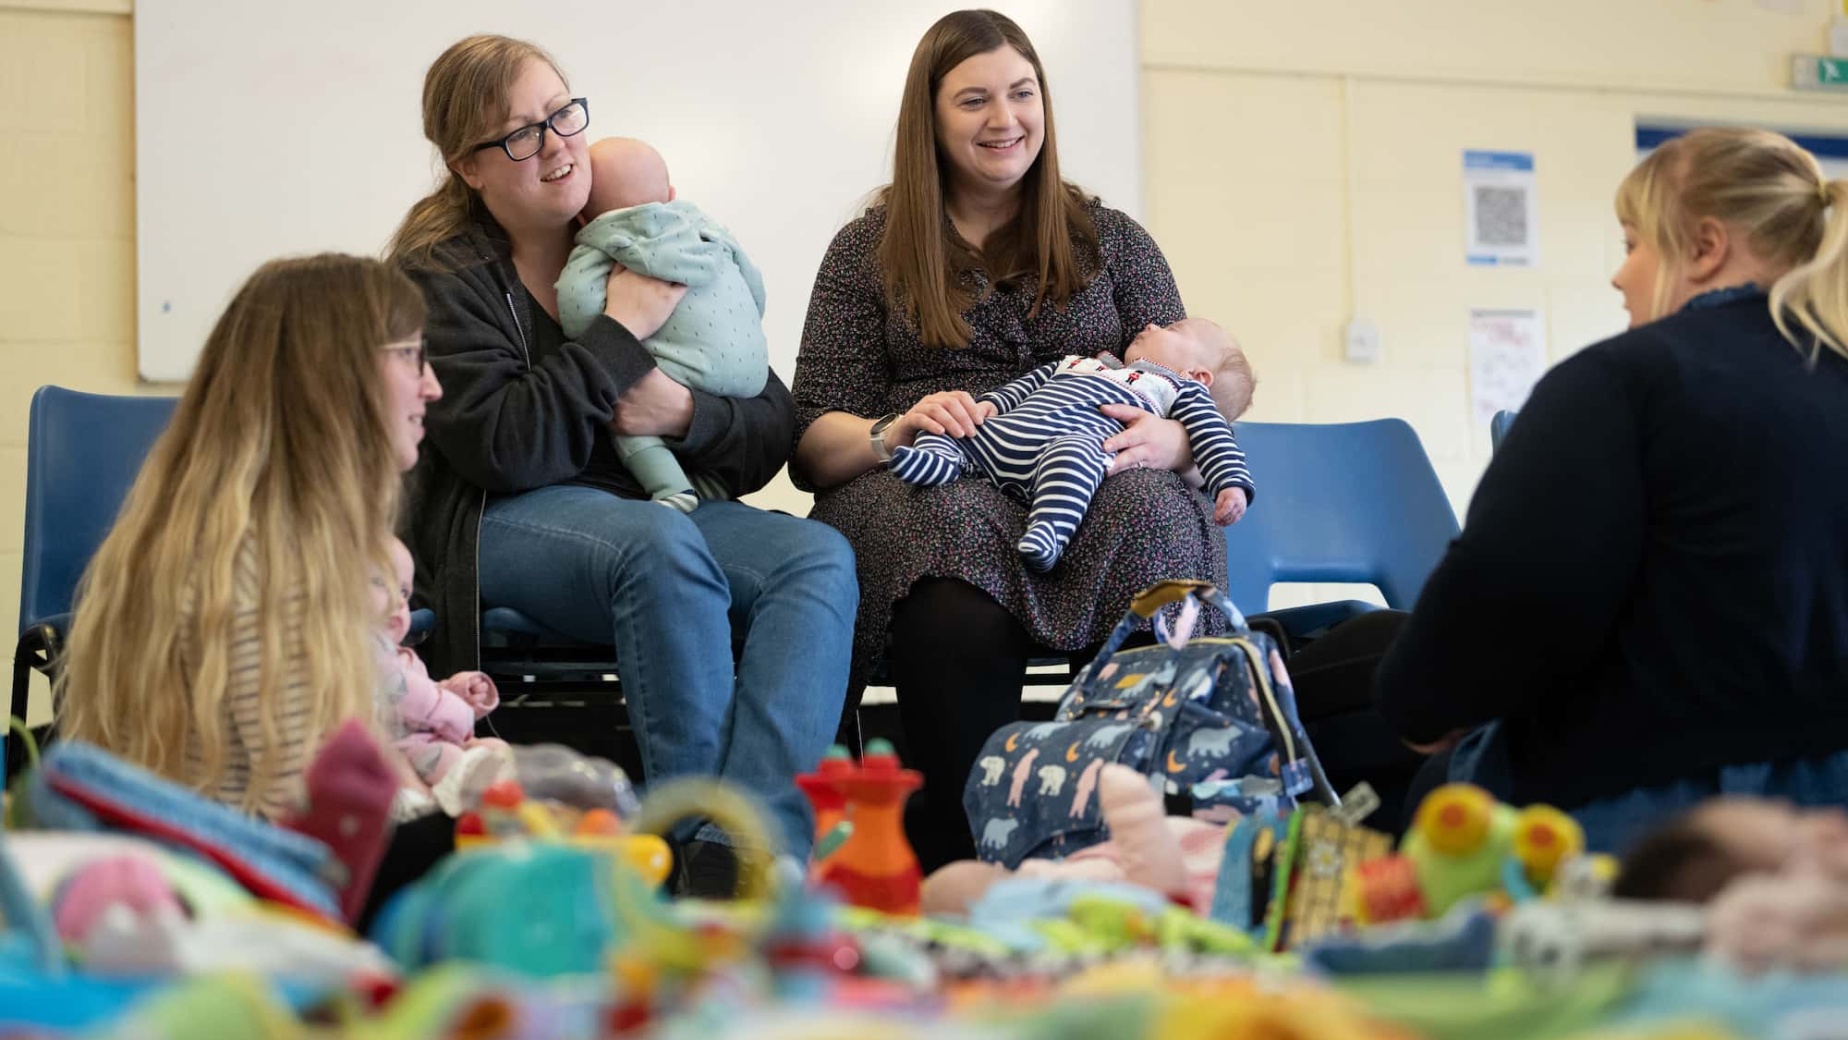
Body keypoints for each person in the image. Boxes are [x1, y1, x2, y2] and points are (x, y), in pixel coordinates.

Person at [388, 34, 856, 869]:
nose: (559, 143)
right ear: (469, 166)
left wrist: (683, 414)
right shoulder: (441, 275)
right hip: (500, 519)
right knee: (661, 544)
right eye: (521, 133)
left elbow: (771, 416)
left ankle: (742, 851)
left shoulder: (630, 230)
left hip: (655, 508)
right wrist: (621, 331)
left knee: (814, 558)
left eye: (562, 113)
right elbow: (505, 448)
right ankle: (686, 848)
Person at [791, 9, 1224, 868]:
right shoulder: (866, 251)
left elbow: (1203, 370)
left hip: (1092, 460)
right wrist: (891, 430)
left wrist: (1177, 443)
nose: (1006, 119)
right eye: (975, 99)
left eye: (1022, 93)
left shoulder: (1113, 240)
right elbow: (810, 441)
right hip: (933, 471)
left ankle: (1152, 852)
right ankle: (974, 862)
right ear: (930, 117)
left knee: (1158, 524)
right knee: (946, 557)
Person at [1374, 127, 1848, 854]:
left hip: (1670, 822)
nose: (1619, 276)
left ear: (1704, 247)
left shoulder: (1628, 381)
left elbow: (1508, 593)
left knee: (1419, 794)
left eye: (1633, 244)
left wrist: (1418, 707)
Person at [56, 253, 444, 822]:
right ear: (336, 377)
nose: (431, 385)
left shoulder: (232, 534)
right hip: (256, 891)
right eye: (412, 356)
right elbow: (311, 827)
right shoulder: (273, 570)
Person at [888, 317, 1255, 571]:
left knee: (1078, 460)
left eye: (1173, 328)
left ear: (1197, 375)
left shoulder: (1176, 390)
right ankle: (938, 461)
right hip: (1007, 432)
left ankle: (1048, 533)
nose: (1152, 324)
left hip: (1068, 447)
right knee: (946, 420)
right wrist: (989, 404)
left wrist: (1230, 483)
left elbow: (1214, 435)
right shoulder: (1080, 363)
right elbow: (1027, 385)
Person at [556, 136, 770, 512]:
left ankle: (672, 488)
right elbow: (754, 286)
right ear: (670, 193)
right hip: (752, 374)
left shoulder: (602, 240)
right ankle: (712, 482)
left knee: (624, 403)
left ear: (583, 217)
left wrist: (616, 316)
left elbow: (577, 311)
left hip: (683, 378)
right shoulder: (704, 226)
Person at [373, 535, 506, 792]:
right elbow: (420, 702)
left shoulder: (397, 654)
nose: (400, 602)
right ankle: (456, 816)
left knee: (496, 749)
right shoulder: (363, 652)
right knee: (456, 762)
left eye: (404, 591)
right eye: (380, 583)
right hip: (391, 751)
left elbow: (424, 699)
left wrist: (455, 691)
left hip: (420, 740)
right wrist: (460, 713)